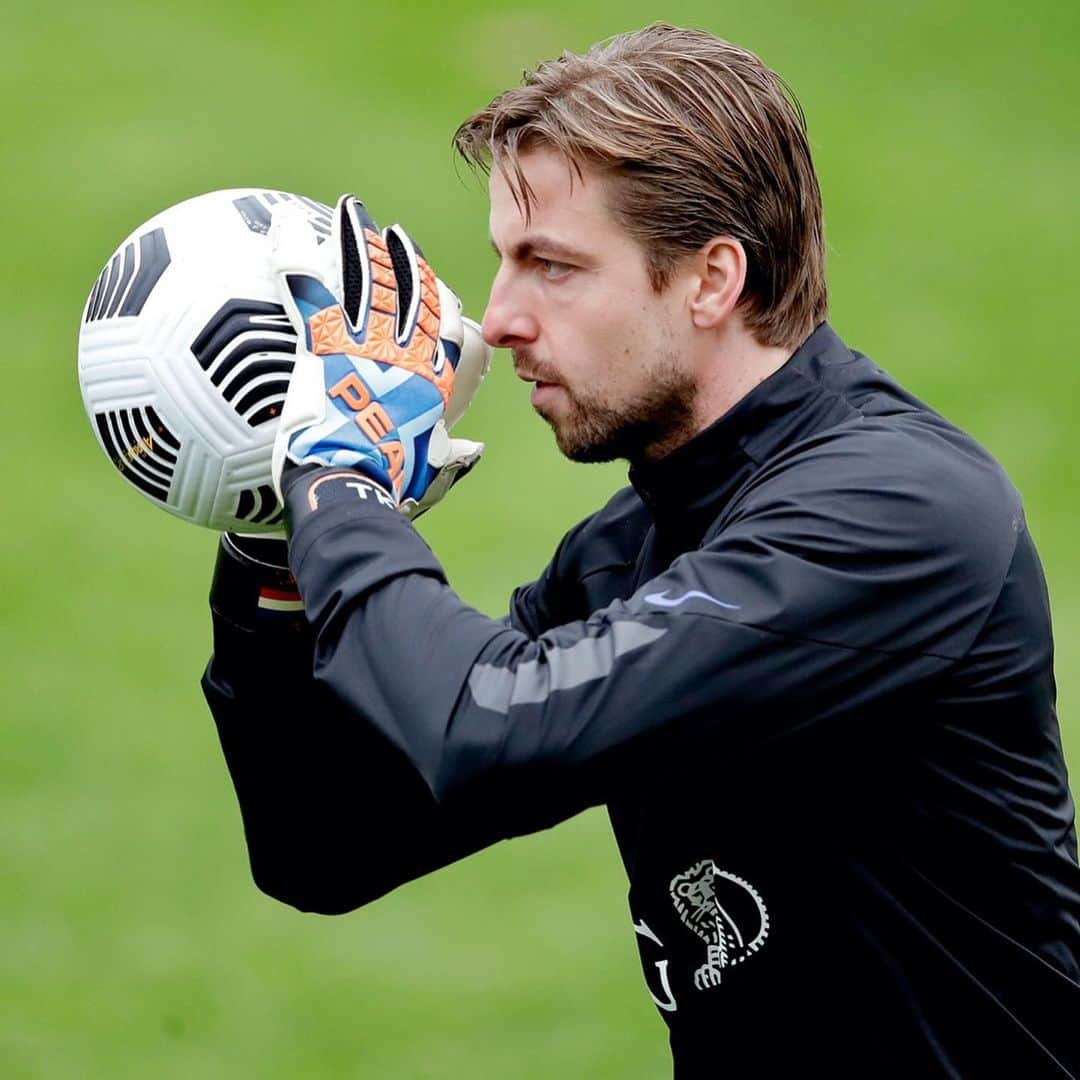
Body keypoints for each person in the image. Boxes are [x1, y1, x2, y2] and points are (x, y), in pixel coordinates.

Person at [202, 24, 1080, 1077]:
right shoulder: (631, 546)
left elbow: (493, 732)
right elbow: (328, 844)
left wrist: (342, 489)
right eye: (503, 262)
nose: (502, 320)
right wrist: (276, 549)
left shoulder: (893, 515)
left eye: (553, 267)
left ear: (711, 281)